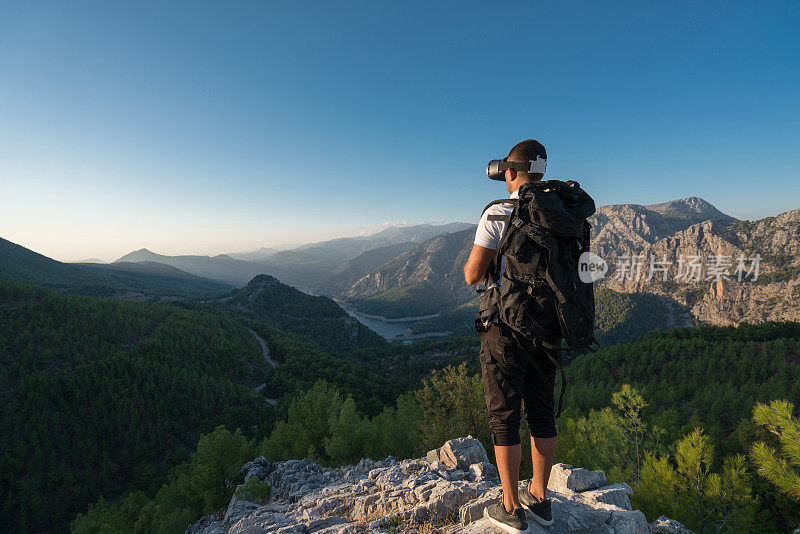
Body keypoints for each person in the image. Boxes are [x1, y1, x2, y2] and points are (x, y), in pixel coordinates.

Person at [463, 139, 559, 534]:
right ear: (540, 173)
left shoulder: (499, 212)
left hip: (505, 329)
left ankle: (510, 507)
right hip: (549, 328)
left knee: (505, 417)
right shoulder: (566, 215)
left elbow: (472, 275)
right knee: (541, 410)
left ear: (509, 173)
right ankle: (540, 497)